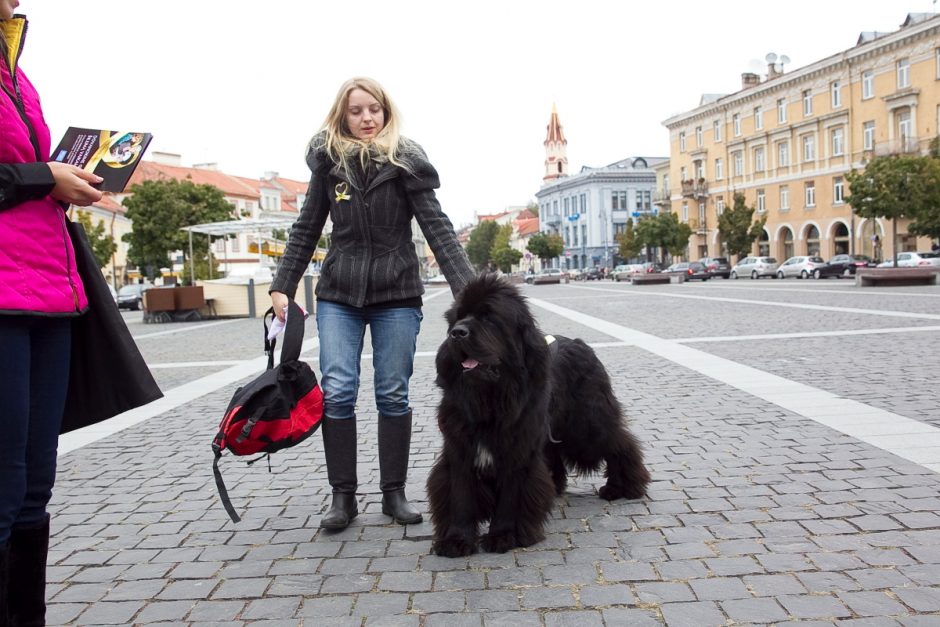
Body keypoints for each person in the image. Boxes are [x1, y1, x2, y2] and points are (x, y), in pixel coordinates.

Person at [270, 77, 475, 530]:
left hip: (397, 293)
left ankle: (393, 494)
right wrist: (283, 282)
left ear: (386, 112)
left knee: (392, 392)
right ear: (342, 116)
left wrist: (471, 291)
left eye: (374, 110)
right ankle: (342, 498)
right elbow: (307, 226)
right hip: (340, 294)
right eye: (356, 111)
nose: (366, 118)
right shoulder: (329, 165)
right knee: (339, 390)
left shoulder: (406, 163)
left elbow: (437, 228)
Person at [1, 3, 105, 624]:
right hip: (6, 298)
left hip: (49, 288)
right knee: (4, 484)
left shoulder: (19, 71)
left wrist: (69, 183)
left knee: (35, 484)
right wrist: (46, 177)